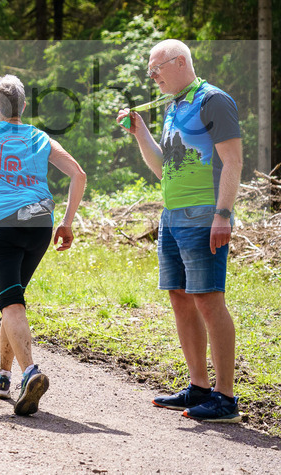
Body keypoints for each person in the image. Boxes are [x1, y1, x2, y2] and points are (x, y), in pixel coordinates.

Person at [116, 39, 242, 423]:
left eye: (156, 69)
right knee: (180, 297)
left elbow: (233, 161)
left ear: (180, 62)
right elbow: (163, 167)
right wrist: (140, 133)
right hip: (173, 216)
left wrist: (223, 213)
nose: (151, 77)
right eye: (150, 72)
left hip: (205, 214)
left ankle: (226, 398)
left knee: (208, 299)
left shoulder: (213, 101)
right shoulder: (174, 106)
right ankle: (199, 386)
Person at [0, 74, 86, 417]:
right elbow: (78, 174)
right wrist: (66, 222)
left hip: (1, 226)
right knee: (14, 302)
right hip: (39, 223)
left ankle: (30, 373)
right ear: (23, 107)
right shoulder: (39, 136)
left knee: (12, 304)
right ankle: (3, 377)